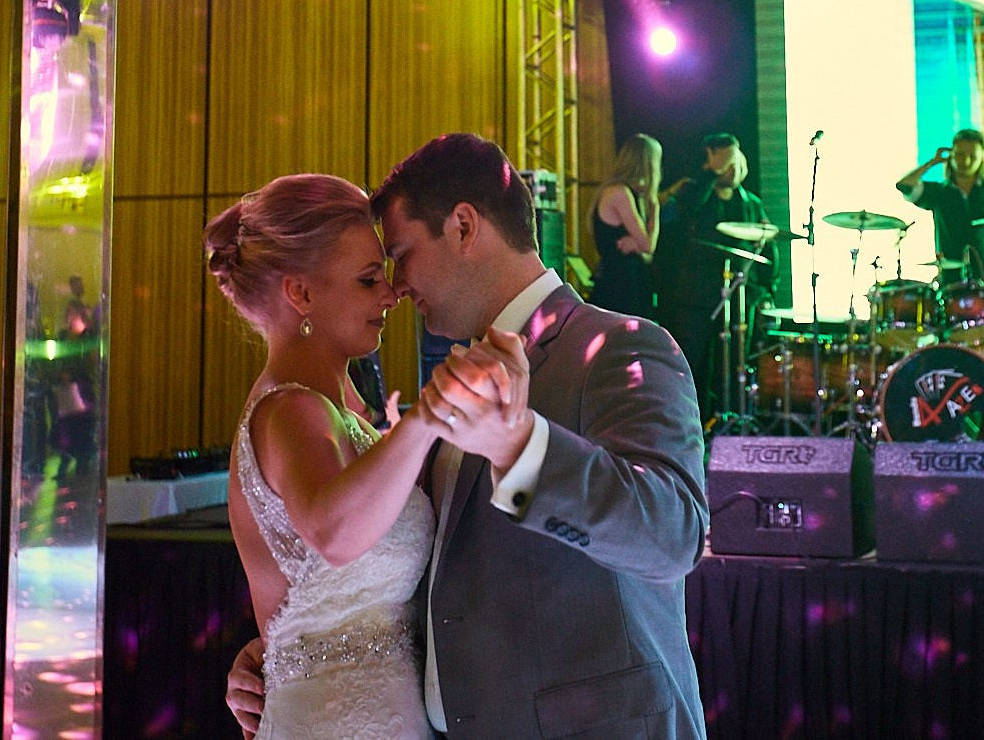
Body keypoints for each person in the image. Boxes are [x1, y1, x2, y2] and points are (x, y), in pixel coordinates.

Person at [227, 135, 709, 740]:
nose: (397, 287)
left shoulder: (617, 348)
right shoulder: (453, 383)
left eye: (400, 255)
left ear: (462, 226)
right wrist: (289, 652)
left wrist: (521, 449)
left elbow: (671, 536)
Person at [208, 172, 516, 740]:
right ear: (301, 293)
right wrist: (429, 414)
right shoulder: (290, 412)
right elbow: (336, 534)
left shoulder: (341, 414)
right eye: (369, 278)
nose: (392, 293)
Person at [655, 132, 771, 420]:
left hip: (739, 298)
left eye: (735, 159)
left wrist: (766, 288)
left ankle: (731, 423)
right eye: (725, 160)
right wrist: (711, 174)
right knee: (693, 366)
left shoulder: (751, 204)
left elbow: (768, 249)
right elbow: (680, 215)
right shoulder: (693, 193)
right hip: (696, 295)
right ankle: (695, 427)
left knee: (734, 367)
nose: (732, 167)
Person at [895, 128, 984, 285]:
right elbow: (904, 186)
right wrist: (932, 162)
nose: (966, 161)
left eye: (973, 156)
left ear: (982, 157)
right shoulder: (938, 192)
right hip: (951, 281)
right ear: (951, 155)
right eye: (960, 155)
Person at [588, 133, 664, 319]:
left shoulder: (627, 193)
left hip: (626, 283)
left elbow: (646, 255)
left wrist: (637, 245)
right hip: (620, 287)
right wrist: (655, 210)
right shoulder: (620, 193)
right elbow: (648, 246)